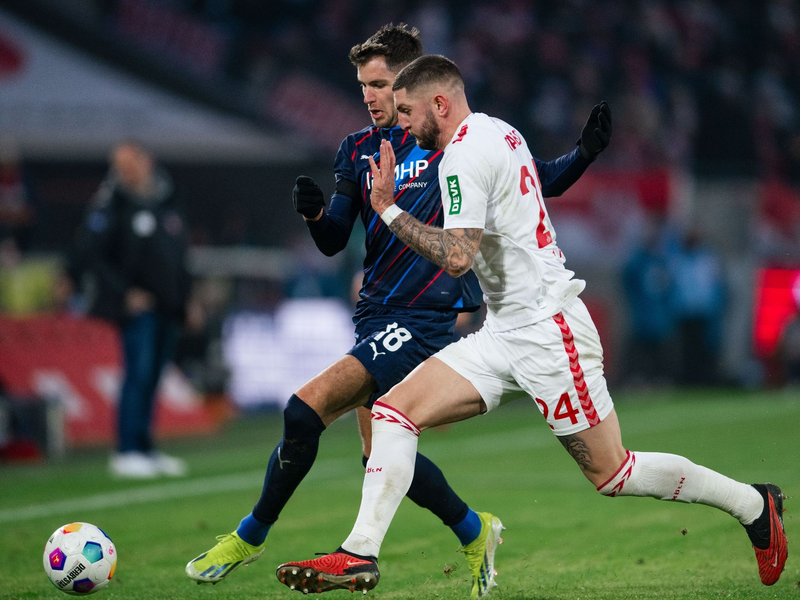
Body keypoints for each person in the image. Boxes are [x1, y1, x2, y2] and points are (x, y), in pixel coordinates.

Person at [275, 55, 788, 595]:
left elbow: (455, 255)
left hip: (549, 334)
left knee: (613, 475)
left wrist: (387, 210)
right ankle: (359, 553)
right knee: (392, 413)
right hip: (505, 330)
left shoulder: (461, 159)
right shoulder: (500, 131)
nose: (400, 124)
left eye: (407, 111)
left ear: (440, 104)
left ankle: (754, 505)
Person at [186, 24, 611, 595]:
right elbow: (337, 237)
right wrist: (315, 216)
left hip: (425, 319)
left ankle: (250, 536)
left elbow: (536, 180)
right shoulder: (356, 149)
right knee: (382, 456)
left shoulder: (444, 143)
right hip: (375, 315)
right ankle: (474, 529)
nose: (369, 95)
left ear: (409, 82)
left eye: (381, 84)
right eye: (363, 84)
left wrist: (583, 153)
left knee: (302, 411)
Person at [75, 142, 191, 479]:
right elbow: (93, 255)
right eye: (119, 165)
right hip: (137, 308)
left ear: (147, 161)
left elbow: (179, 253)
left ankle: (145, 447)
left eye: (130, 163)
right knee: (136, 375)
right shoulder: (112, 204)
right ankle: (126, 450)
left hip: (168, 305)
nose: (125, 171)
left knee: (154, 376)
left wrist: (188, 296)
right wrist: (124, 293)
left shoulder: (166, 198)